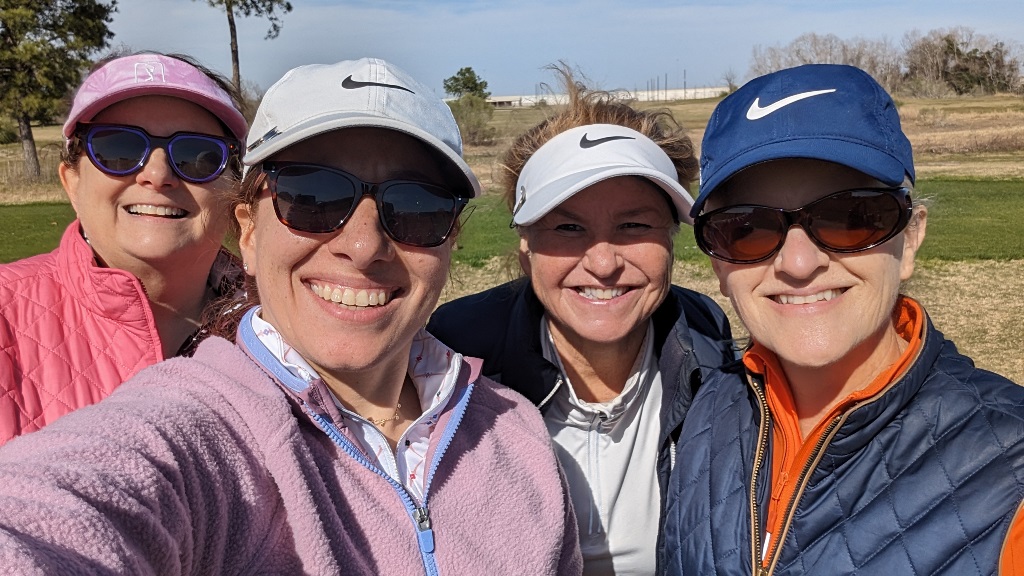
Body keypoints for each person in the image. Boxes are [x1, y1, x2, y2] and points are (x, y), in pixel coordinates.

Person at [0, 57, 582, 574]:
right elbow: (58, 511)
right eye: (312, 196)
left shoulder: (515, 433)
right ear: (248, 230)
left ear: (450, 240)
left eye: (416, 205)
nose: (364, 244)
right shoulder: (199, 428)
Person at [664, 63, 1024, 575]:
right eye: (747, 228)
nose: (798, 264)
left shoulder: (1010, 472)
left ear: (912, 237)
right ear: (720, 262)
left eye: (852, 218)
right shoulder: (704, 412)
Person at [428, 66, 735, 574]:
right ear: (525, 250)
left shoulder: (706, 343)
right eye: (567, 227)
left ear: (670, 239)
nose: (604, 262)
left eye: (633, 224)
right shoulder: (457, 355)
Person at [0, 51, 248, 444]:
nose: (157, 175)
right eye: (119, 148)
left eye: (197, 155)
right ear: (73, 182)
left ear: (234, 191)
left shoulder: (286, 324)